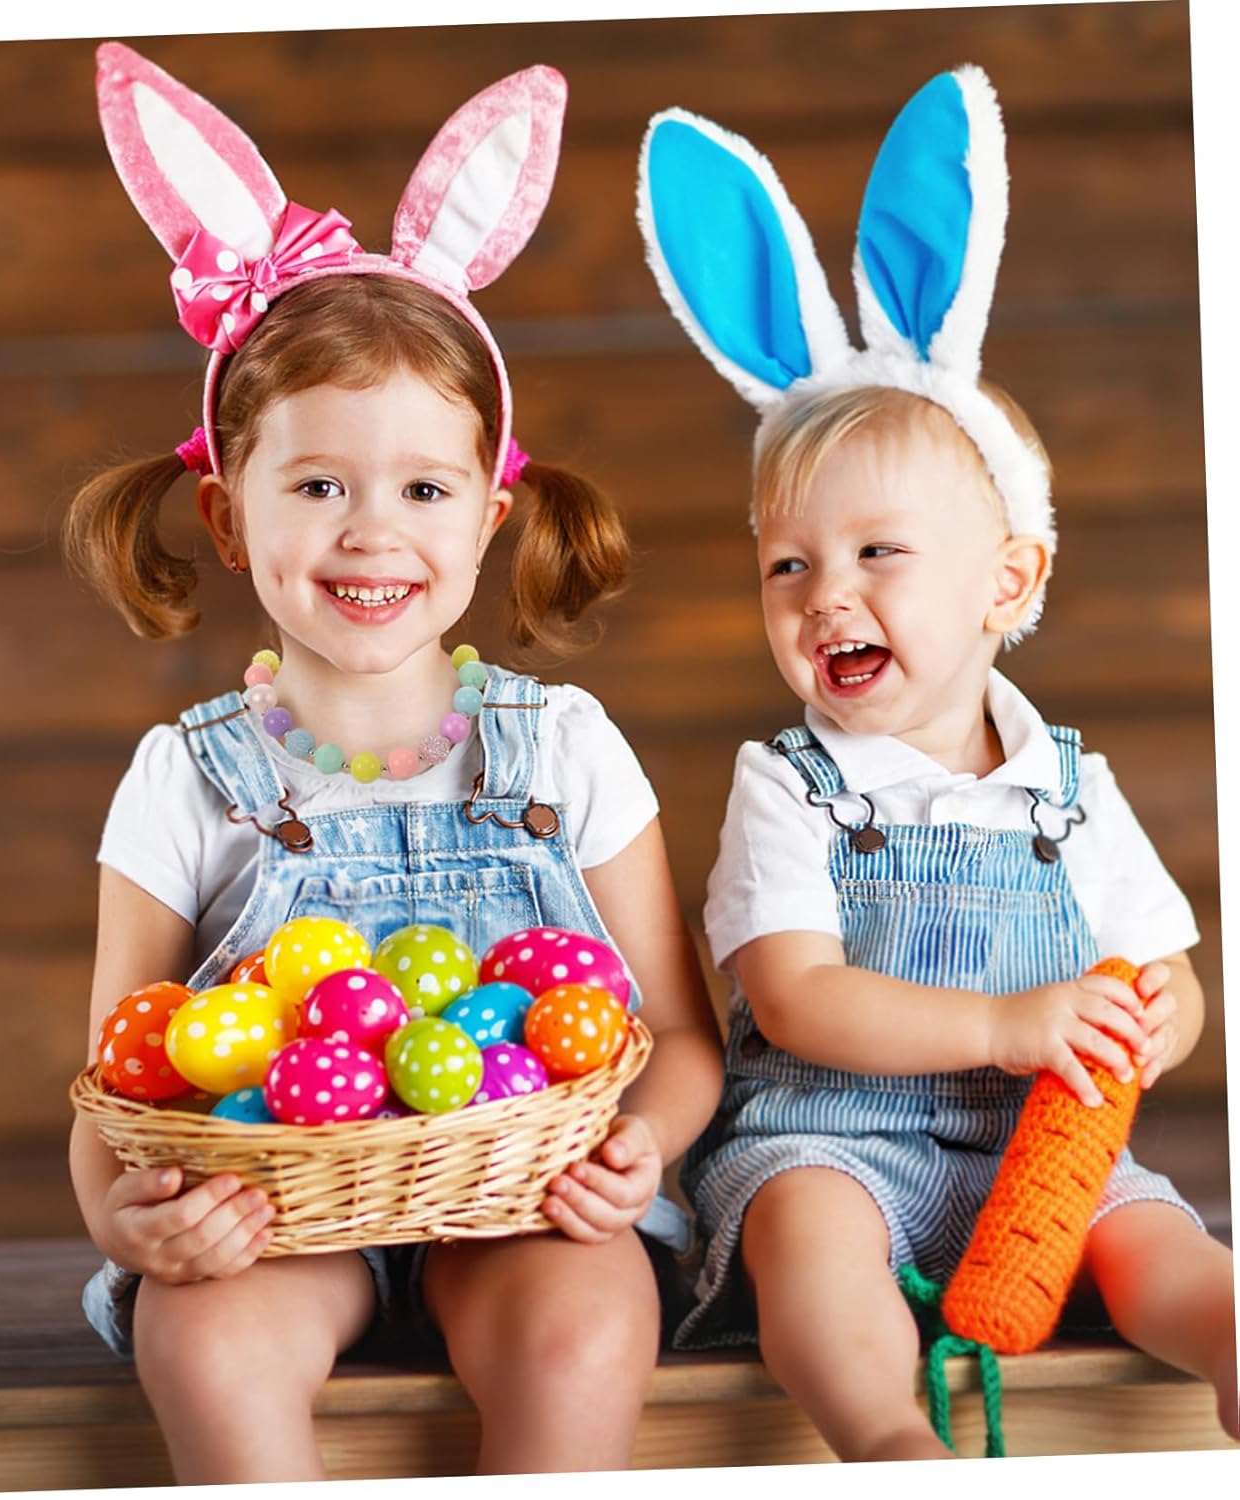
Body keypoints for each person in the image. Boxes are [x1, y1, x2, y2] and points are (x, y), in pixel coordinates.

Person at [64, 43, 723, 1483]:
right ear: (227, 517)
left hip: (526, 1203)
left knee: (583, 1328)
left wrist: (640, 1148)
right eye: (317, 484)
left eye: (425, 487)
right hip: (280, 1215)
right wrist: (130, 1217)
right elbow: (119, 1074)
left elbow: (678, 1037)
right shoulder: (186, 777)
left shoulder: (564, 747)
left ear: (487, 516)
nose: (373, 531)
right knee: (204, 1337)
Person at [637, 66, 1237, 1459]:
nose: (825, 596)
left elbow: (1166, 972)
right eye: (789, 566)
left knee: (1160, 1242)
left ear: (1005, 580)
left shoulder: (1068, 787)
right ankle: (887, 1441)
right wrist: (1006, 1026)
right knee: (808, 1239)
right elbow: (797, 999)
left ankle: (1228, 1347)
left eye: (877, 554)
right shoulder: (791, 783)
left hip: (1038, 1151)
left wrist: (1160, 1019)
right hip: (836, 1138)